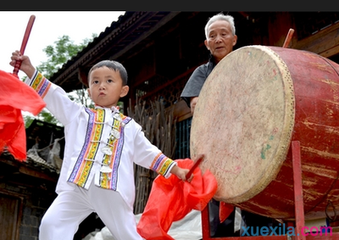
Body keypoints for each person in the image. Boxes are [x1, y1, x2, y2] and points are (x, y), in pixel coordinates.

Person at [10, 50, 193, 240]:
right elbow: (55, 96)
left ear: (123, 90)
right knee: (52, 224)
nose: (101, 86)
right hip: (77, 186)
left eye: (109, 81)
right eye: (95, 82)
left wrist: (175, 169)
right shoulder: (77, 115)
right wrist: (30, 70)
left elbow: (148, 153)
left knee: (128, 235)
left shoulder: (129, 128)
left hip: (111, 189)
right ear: (89, 91)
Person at [181, 12, 277, 237]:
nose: (218, 39)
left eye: (224, 34)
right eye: (212, 36)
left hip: (250, 148)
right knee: (218, 216)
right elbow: (197, 105)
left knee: (256, 209)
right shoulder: (201, 73)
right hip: (216, 153)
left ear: (234, 39)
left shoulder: (250, 64)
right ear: (206, 44)